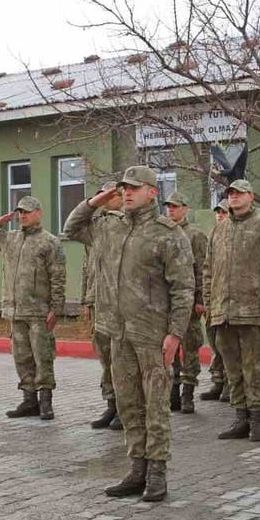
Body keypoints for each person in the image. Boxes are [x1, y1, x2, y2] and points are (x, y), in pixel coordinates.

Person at [65, 165, 194, 501]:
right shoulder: (109, 227)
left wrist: (176, 333)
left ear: (152, 192)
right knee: (128, 404)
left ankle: (157, 473)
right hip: (117, 333)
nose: (127, 193)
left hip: (152, 335)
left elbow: (183, 288)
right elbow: (71, 227)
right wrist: (97, 200)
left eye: (135, 187)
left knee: (155, 405)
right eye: (124, 188)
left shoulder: (168, 233)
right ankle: (137, 468)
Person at [205, 179, 260, 442]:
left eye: (239, 193)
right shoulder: (219, 230)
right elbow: (208, 271)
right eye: (230, 193)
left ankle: (258, 421)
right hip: (224, 313)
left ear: (251, 196)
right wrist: (211, 305)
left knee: (254, 370)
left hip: (253, 313)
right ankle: (240, 418)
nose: (234, 197)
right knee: (233, 370)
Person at [0, 196, 67, 420]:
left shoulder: (50, 242)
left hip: (39, 311)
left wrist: (56, 309)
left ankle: (45, 402)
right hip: (15, 311)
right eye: (20, 212)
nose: (22, 216)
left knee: (43, 357)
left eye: (27, 212)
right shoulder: (10, 238)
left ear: (38, 213)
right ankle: (29, 401)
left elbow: (58, 277)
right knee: (22, 357)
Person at [79, 181, 124, 430]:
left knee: (120, 359)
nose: (105, 199)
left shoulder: (127, 226)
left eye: (110, 195)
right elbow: (88, 270)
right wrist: (86, 300)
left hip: (119, 303)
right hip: (98, 302)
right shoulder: (97, 228)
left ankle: (126, 408)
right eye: (101, 196)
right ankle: (111, 404)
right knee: (105, 359)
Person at [163, 191, 207, 414]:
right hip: (166, 302)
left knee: (190, 347)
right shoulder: (163, 233)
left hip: (188, 300)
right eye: (168, 206)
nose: (171, 210)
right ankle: (173, 391)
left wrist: (200, 299)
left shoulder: (195, 235)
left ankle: (188, 393)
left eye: (175, 206)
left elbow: (202, 269)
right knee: (169, 347)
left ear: (185, 209)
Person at [199, 200, 232, 403]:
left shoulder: (235, 237)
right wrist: (206, 299)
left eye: (224, 212)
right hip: (214, 302)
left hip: (230, 304)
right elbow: (207, 270)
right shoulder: (213, 236)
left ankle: (229, 383)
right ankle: (218, 381)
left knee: (227, 346)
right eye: (218, 212)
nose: (220, 215)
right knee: (215, 344)